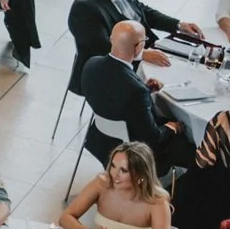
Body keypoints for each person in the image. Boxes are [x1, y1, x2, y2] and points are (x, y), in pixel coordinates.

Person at [67, 0, 202, 93]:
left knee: (191, 62)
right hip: (114, 69)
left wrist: (178, 25)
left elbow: (142, 12)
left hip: (145, 47)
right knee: (170, 85)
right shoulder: (85, 8)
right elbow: (102, 47)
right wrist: (142, 54)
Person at [83, 21, 194, 176]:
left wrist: (146, 89)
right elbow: (152, 138)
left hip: (101, 139)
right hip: (135, 153)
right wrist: (172, 126)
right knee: (192, 147)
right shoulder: (136, 91)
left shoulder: (91, 63)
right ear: (137, 47)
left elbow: (115, 91)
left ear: (111, 39)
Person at [57, 141, 174, 229]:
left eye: (124, 170)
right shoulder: (101, 184)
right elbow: (65, 218)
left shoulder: (157, 202)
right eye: (113, 166)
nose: (114, 175)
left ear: (141, 175)